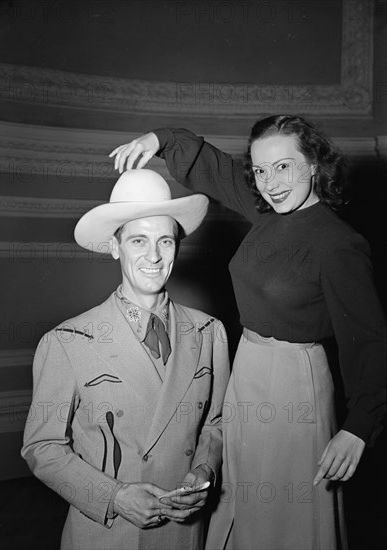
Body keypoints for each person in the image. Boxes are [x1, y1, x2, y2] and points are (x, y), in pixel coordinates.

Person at [110, 116, 386, 550]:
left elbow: (370, 341)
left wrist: (359, 426)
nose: (270, 183)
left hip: (294, 384)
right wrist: (162, 139)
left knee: (281, 513)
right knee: (241, 498)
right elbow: (215, 167)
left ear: (314, 164)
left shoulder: (338, 245)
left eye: (283, 166)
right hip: (247, 373)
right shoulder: (266, 210)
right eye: (260, 170)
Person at [22, 169, 230, 550]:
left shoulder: (209, 332)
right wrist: (115, 496)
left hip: (184, 532)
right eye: (139, 240)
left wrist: (205, 470)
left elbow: (216, 423)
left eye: (165, 240)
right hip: (106, 533)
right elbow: (42, 447)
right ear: (115, 246)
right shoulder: (68, 341)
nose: (153, 255)